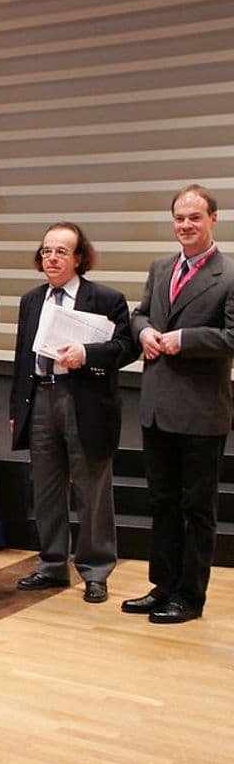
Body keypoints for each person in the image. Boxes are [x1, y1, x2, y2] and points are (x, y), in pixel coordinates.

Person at [124, 184, 234, 624]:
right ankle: (163, 585)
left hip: (201, 412)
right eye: (179, 218)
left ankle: (190, 596)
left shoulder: (228, 275)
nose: (186, 225)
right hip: (156, 407)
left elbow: (231, 337)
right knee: (162, 502)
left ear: (213, 220)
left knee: (196, 508)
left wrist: (184, 340)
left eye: (195, 217)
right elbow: (140, 313)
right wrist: (144, 332)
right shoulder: (161, 267)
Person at [10, 223, 136, 603]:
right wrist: (18, 409)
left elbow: (128, 347)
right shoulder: (32, 300)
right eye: (47, 250)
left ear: (79, 257)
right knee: (46, 487)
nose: (52, 257)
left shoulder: (106, 299)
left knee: (92, 488)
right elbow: (21, 358)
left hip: (86, 400)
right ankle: (51, 565)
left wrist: (88, 353)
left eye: (61, 251)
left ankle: (96, 570)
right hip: (41, 397)